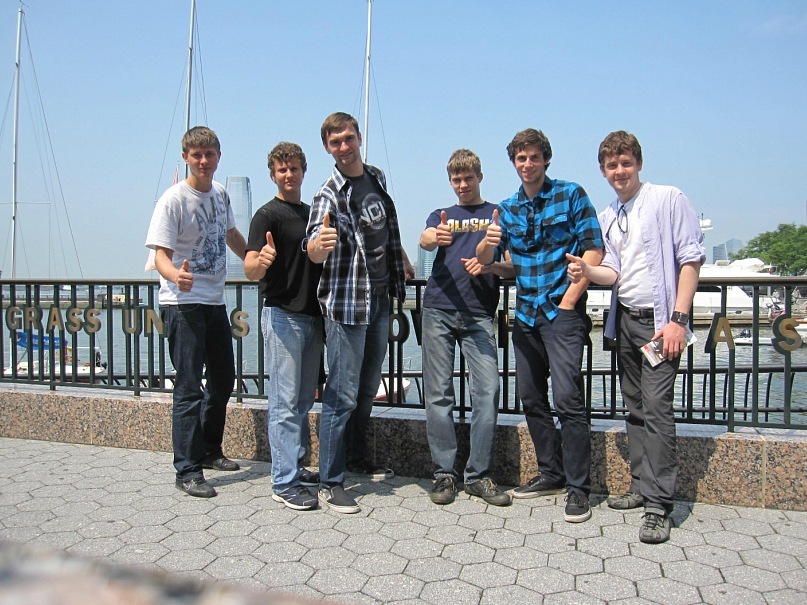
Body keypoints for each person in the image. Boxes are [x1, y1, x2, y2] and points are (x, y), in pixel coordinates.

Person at [566, 130, 705, 543]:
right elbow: (613, 273)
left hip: (661, 322)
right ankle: (643, 487)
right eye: (612, 165)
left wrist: (678, 320)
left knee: (657, 410)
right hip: (625, 322)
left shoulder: (668, 199)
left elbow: (690, 259)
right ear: (603, 171)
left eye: (626, 163)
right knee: (636, 408)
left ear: (639, 164)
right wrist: (587, 271)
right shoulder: (609, 215)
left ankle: (659, 506)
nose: (619, 171)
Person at [476, 128, 603, 523]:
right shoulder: (507, 208)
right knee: (531, 398)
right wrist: (488, 241)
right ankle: (552, 473)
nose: (527, 164)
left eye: (533, 157)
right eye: (521, 158)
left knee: (568, 400)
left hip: (561, 313)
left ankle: (578, 488)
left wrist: (569, 301)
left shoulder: (571, 194)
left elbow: (594, 248)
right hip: (526, 315)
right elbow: (488, 259)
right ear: (513, 162)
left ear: (545, 159)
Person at [306, 112, 414, 514]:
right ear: (327, 148)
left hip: (380, 299)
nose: (344, 147)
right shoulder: (328, 194)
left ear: (359, 138)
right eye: (335, 142)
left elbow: (383, 229)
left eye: (348, 138)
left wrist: (402, 258)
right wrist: (319, 245)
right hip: (348, 305)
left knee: (367, 388)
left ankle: (354, 457)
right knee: (341, 393)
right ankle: (330, 481)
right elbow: (312, 245)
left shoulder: (376, 178)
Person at [145, 126, 247, 498]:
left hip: (214, 301)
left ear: (219, 156)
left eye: (209, 154)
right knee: (189, 387)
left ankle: (209, 449)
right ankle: (186, 470)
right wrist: (175, 276)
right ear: (186, 157)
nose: (203, 161)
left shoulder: (220, 194)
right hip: (182, 303)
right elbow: (160, 254)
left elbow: (231, 235)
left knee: (223, 377)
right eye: (196, 155)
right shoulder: (172, 200)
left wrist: (256, 259)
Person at [419, 149, 514, 507]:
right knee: (438, 393)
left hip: (478, 314)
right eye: (456, 180)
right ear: (450, 181)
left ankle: (478, 475)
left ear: (480, 177)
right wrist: (436, 236)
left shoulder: (497, 216)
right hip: (439, 308)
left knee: (488, 391)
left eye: (468, 178)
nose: (462, 185)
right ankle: (444, 473)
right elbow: (426, 238)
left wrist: (488, 253)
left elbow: (509, 266)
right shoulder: (442, 215)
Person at [244, 142, 322, 511]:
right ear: (273, 175)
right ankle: (283, 481)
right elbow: (250, 269)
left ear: (303, 171)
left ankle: (295, 465)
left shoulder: (312, 215)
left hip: (312, 316)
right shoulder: (266, 216)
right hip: (282, 315)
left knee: (303, 400)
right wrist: (261, 260)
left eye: (293, 168)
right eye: (282, 169)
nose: (288, 174)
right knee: (284, 402)